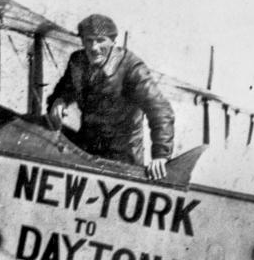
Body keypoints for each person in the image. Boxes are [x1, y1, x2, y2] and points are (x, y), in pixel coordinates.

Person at [46, 14, 174, 179]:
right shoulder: (77, 61)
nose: (94, 47)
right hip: (86, 148)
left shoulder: (131, 67)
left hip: (123, 157)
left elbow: (160, 109)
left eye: (100, 40)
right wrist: (60, 100)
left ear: (113, 41)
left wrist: (161, 155)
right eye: (88, 40)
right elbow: (65, 88)